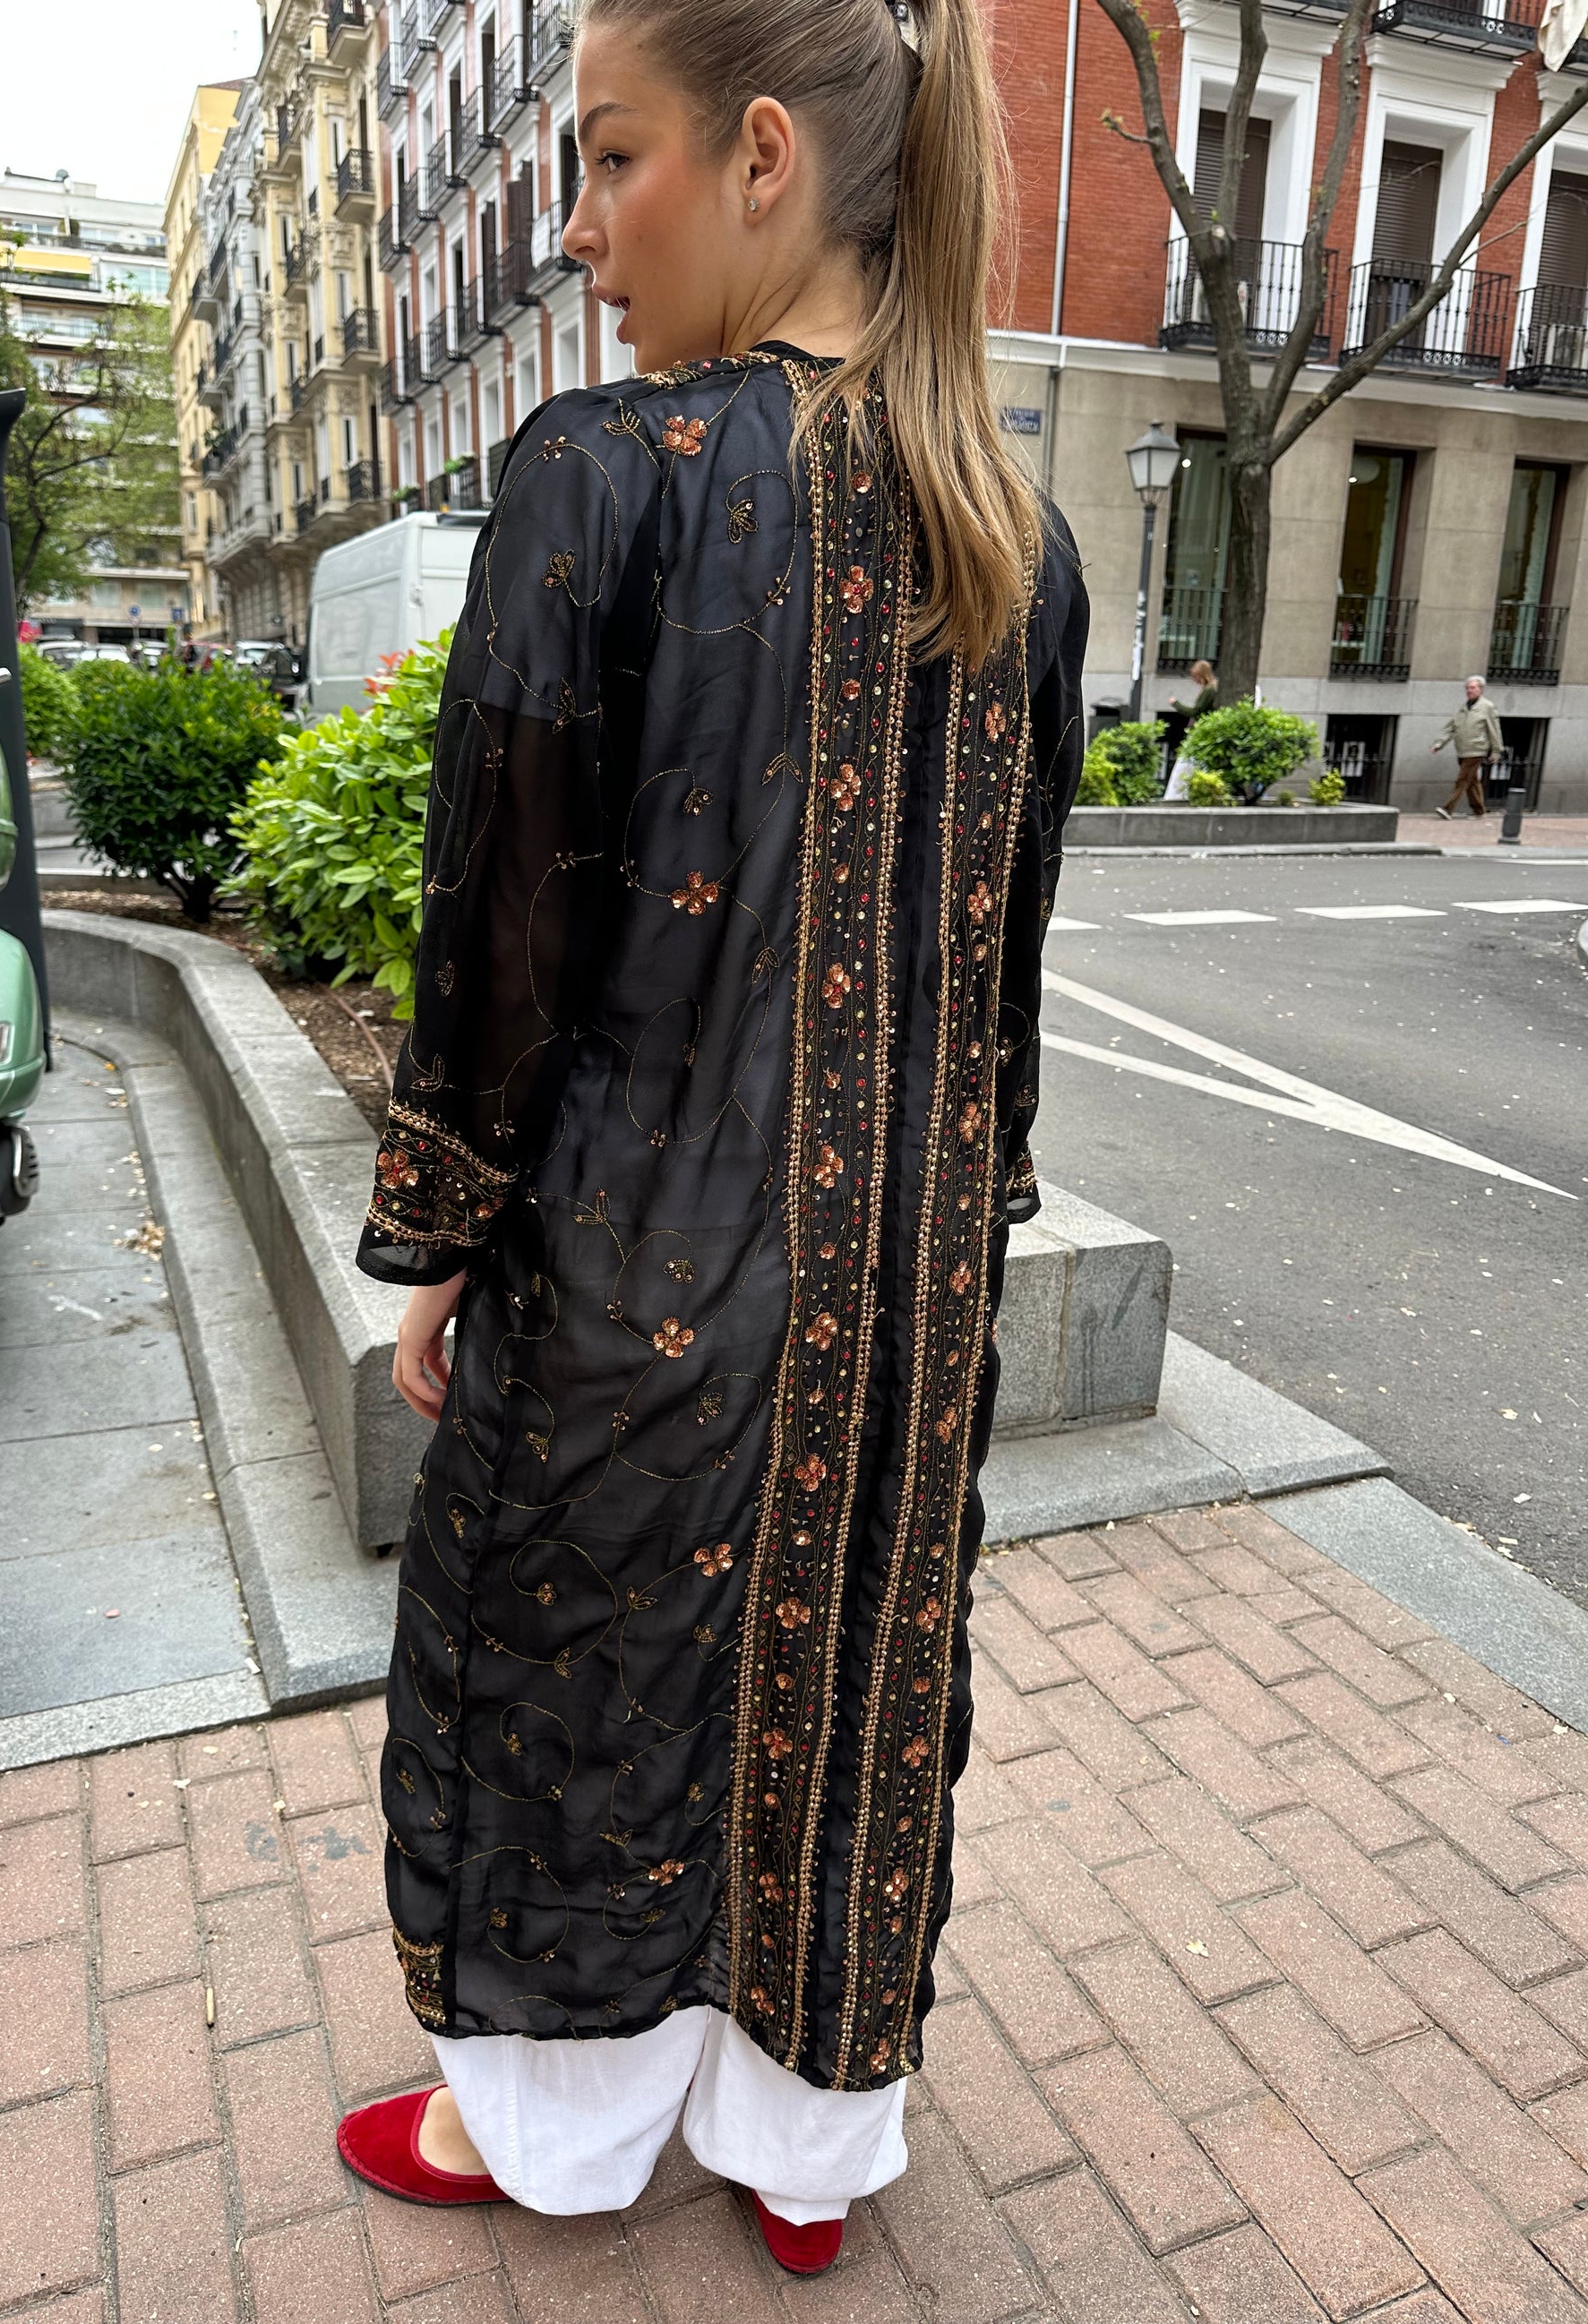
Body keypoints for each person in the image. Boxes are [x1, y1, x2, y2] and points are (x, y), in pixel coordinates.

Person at [335, 0, 1089, 2277]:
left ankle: (555, 2140)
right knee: (854, 1683)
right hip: (905, 1289)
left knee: (568, 1681)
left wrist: (438, 1231)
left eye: (610, 155)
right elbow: (1003, 977)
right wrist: (956, 1237)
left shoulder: (603, 477)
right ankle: (808, 2150)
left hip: (633, 1263)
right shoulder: (1020, 541)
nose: (575, 229)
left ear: (761, 155)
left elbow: (505, 929)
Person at [1431, 674, 1502, 818]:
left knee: (1462, 780)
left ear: (1480, 689)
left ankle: (1448, 809)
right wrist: (1439, 743)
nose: (1469, 691)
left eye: (1473, 688)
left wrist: (1496, 751)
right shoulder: (1463, 708)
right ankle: (1479, 811)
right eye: (1467, 688)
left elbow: (1494, 730)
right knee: (1472, 781)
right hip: (1462, 750)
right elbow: (1451, 727)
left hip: (1476, 750)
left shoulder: (1487, 707)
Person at [1162, 658, 1216, 797]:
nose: (1194, 680)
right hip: (1199, 732)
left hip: (1200, 734)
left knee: (1186, 763)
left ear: (1202, 674)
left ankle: (1178, 794)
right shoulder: (1208, 689)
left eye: (1195, 676)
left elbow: (1195, 711)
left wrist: (1176, 704)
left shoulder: (1209, 690)